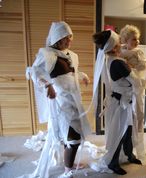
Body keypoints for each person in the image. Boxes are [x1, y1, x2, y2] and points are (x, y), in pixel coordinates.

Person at [26, 21, 91, 178]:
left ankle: (68, 162)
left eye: (70, 38)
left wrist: (82, 75)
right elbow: (33, 71)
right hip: (61, 102)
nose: (70, 41)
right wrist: (47, 85)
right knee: (73, 136)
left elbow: (69, 73)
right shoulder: (47, 54)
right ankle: (68, 169)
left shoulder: (69, 54)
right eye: (66, 38)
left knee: (69, 133)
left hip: (74, 99)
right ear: (57, 38)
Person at [91, 30, 142, 175]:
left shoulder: (109, 59)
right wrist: (133, 68)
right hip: (121, 103)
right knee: (119, 132)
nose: (122, 44)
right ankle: (113, 163)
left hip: (120, 100)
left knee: (128, 131)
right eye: (119, 42)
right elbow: (136, 81)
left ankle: (128, 155)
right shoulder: (118, 62)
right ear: (113, 47)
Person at [119, 24, 146, 163]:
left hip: (135, 88)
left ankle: (131, 151)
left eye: (137, 39)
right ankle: (123, 151)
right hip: (124, 89)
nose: (136, 42)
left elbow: (143, 66)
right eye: (133, 40)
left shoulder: (138, 52)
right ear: (125, 40)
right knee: (124, 122)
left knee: (135, 120)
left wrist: (132, 67)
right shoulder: (120, 51)